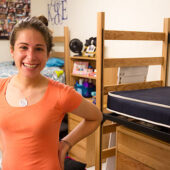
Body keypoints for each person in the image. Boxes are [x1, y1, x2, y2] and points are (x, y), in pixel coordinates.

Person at [0, 16, 102, 170]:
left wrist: (66, 143)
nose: (31, 56)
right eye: (23, 47)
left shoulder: (61, 93)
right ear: (12, 51)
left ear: (48, 55)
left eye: (39, 49)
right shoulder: (1, 88)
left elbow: (96, 117)